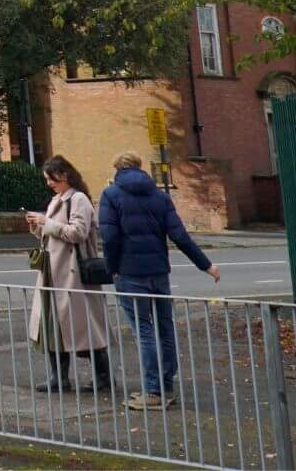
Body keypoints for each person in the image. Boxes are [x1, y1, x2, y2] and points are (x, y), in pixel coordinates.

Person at [98, 151, 221, 410]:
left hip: (130, 273)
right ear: (140, 168)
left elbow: (109, 237)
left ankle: (153, 392)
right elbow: (180, 236)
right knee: (165, 327)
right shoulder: (160, 196)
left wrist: (113, 268)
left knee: (144, 330)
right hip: (158, 272)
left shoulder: (111, 195)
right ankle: (165, 386)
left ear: (117, 169)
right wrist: (206, 265)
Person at [24, 155, 112, 394]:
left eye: (51, 178)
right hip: (53, 272)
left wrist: (47, 222)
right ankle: (59, 378)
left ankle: (103, 377)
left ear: (64, 175)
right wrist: (37, 225)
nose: (49, 183)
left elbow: (78, 233)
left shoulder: (79, 199)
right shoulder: (58, 200)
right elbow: (53, 233)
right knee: (53, 327)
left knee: (84, 327)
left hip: (72, 274)